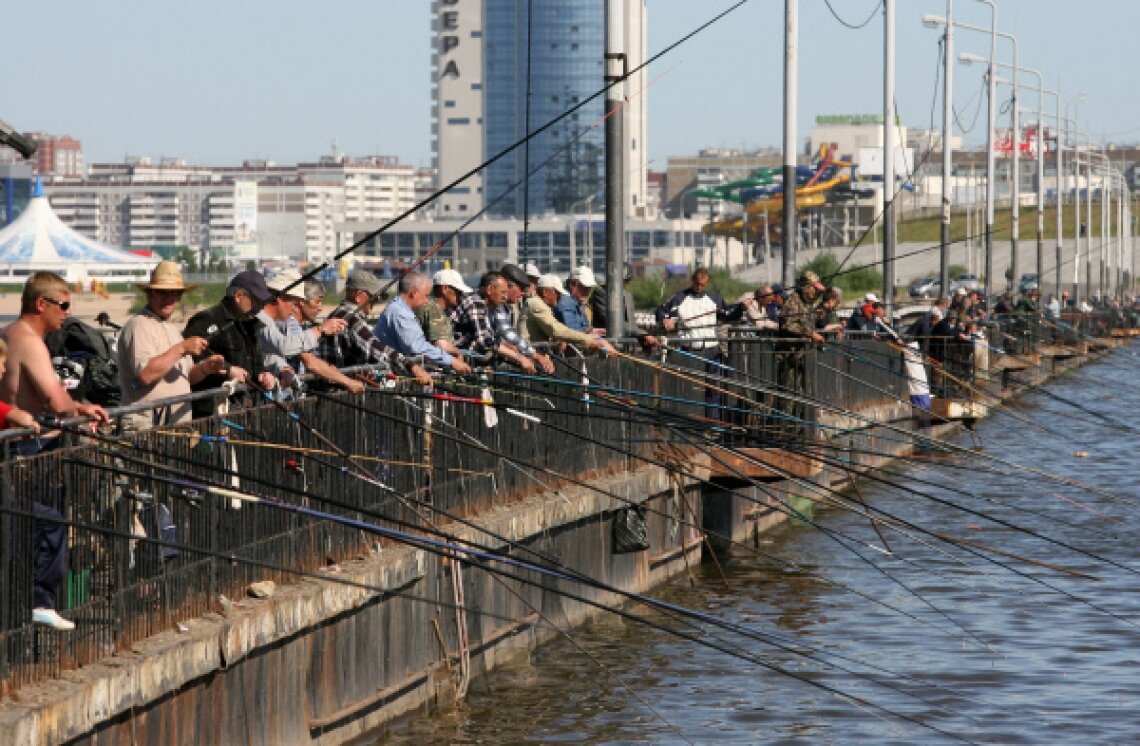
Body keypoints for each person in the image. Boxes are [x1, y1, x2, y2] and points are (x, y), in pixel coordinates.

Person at [0, 272, 111, 632]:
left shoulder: (14, 335)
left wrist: (78, 409)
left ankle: (30, 603)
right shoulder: (30, 341)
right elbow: (54, 397)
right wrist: (77, 409)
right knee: (48, 522)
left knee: (32, 527)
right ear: (41, 304)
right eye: (62, 305)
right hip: (26, 450)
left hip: (29, 446)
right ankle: (38, 602)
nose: (67, 312)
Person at [117, 261, 228, 430]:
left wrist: (206, 368)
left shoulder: (173, 331)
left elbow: (187, 377)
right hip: (146, 425)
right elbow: (145, 375)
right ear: (150, 294)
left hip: (176, 424)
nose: (169, 298)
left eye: (175, 293)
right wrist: (182, 348)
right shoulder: (139, 325)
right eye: (162, 292)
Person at [183, 270, 279, 419]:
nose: (260, 307)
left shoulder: (251, 324)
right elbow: (191, 362)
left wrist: (264, 373)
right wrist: (228, 370)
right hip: (211, 414)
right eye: (256, 301)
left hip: (246, 411)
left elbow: (257, 361)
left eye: (262, 302)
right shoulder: (207, 319)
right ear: (239, 296)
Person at [316, 269, 431, 384]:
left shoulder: (335, 314)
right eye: (374, 298)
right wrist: (412, 367)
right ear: (359, 296)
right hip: (341, 390)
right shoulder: (352, 319)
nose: (375, 303)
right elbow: (377, 349)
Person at [261, 271, 367, 394]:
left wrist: (329, 371)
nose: (321, 307)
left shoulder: (286, 322)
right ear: (302, 302)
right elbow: (311, 362)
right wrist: (348, 382)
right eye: (318, 301)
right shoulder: (289, 322)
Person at [374, 272, 472, 375]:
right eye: (425, 296)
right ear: (414, 293)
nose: (426, 301)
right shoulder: (400, 313)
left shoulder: (401, 309)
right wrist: (452, 361)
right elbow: (417, 347)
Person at [451, 271, 545, 373]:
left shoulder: (488, 305)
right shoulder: (475, 303)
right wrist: (520, 358)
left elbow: (489, 335)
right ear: (490, 289)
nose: (505, 297)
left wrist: (504, 344)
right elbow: (485, 342)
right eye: (503, 292)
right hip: (456, 359)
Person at [775, 270, 826, 440]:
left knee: (802, 397)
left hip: (802, 356)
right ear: (806, 287)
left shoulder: (808, 303)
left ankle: (798, 432)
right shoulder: (793, 301)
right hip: (789, 357)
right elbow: (786, 324)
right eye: (814, 288)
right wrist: (809, 334)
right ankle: (783, 434)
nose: (816, 292)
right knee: (788, 396)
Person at [654, 267, 746, 348]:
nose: (699, 287)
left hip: (711, 348)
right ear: (693, 281)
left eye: (703, 285)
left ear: (707, 282)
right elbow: (660, 310)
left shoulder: (714, 298)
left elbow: (728, 315)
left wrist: (741, 308)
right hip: (688, 349)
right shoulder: (679, 297)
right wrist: (665, 320)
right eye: (697, 284)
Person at [488, 269, 555, 373]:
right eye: (521, 288)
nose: (523, 293)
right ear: (509, 286)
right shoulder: (496, 307)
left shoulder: (505, 307)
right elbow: (508, 334)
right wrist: (535, 355)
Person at [527, 275, 614, 353]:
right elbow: (557, 330)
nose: (559, 297)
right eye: (557, 293)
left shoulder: (541, 305)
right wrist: (591, 340)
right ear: (546, 292)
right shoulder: (537, 304)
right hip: (532, 355)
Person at [587, 264, 659, 348]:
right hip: (605, 346)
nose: (624, 284)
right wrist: (642, 334)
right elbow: (613, 321)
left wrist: (642, 339)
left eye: (626, 281)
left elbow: (631, 324)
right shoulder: (600, 293)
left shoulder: (628, 297)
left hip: (626, 347)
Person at [418, 269, 469, 358]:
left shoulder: (435, 307)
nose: (461, 295)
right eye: (458, 291)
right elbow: (442, 345)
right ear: (444, 289)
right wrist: (458, 353)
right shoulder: (433, 309)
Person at [555, 266, 597, 332]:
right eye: (583, 287)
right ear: (572, 284)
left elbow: (585, 327)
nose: (587, 291)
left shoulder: (578, 301)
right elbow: (574, 331)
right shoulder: (565, 302)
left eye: (589, 288)